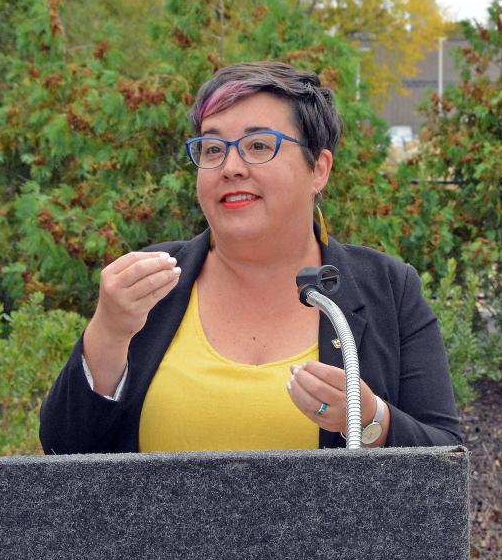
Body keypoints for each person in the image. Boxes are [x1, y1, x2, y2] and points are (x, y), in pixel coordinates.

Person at [39, 61, 462, 454]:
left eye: (258, 145)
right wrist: (109, 332)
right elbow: (63, 450)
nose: (231, 167)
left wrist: (370, 420)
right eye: (212, 149)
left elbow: (444, 457)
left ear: (319, 169)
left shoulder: (388, 288)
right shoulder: (150, 284)